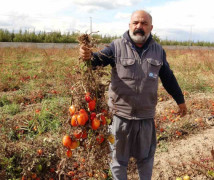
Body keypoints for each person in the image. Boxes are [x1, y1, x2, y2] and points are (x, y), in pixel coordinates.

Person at [80, 10, 187, 180]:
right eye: (136, 23)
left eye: (144, 24)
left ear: (151, 27)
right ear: (129, 25)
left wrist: (180, 101)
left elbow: (168, 78)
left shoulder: (158, 51)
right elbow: (96, 61)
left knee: (145, 160)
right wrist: (88, 57)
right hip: (119, 117)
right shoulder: (116, 47)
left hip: (145, 118)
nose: (139, 27)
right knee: (118, 161)